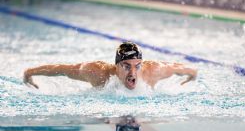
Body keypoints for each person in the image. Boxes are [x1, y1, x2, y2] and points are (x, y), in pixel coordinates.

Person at [23, 41, 197, 90]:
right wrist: (29, 72)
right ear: (116, 66)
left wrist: (191, 77)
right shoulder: (97, 72)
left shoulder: (153, 71)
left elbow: (185, 69)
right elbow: (61, 69)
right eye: (126, 66)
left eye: (137, 65)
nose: (133, 72)